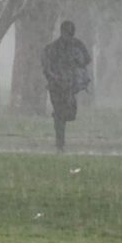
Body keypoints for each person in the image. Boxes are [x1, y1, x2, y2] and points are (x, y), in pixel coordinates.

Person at [41, 20, 92, 153]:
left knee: (69, 113)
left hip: (70, 86)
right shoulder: (52, 48)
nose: (69, 36)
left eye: (71, 33)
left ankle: (60, 135)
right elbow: (46, 67)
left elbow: (86, 59)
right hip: (56, 86)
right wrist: (55, 77)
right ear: (62, 32)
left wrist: (77, 64)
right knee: (59, 113)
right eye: (67, 33)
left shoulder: (77, 45)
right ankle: (60, 143)